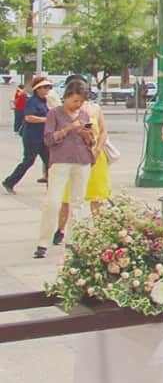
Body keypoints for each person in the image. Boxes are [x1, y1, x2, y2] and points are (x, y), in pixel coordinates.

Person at [35, 79, 95, 258]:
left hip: (82, 160)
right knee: (53, 202)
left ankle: (72, 240)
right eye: (75, 100)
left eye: (81, 101)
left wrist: (86, 135)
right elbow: (48, 139)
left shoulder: (83, 114)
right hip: (60, 161)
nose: (78, 105)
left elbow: (91, 140)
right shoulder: (54, 114)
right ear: (67, 97)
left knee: (77, 202)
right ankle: (43, 242)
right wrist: (68, 129)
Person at [3, 75, 51, 194]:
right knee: (28, 161)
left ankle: (52, 187)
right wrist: (45, 119)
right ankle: (9, 182)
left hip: (43, 137)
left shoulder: (43, 101)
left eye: (48, 87)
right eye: (45, 87)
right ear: (38, 89)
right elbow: (28, 117)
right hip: (32, 137)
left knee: (50, 162)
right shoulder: (31, 101)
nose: (47, 90)